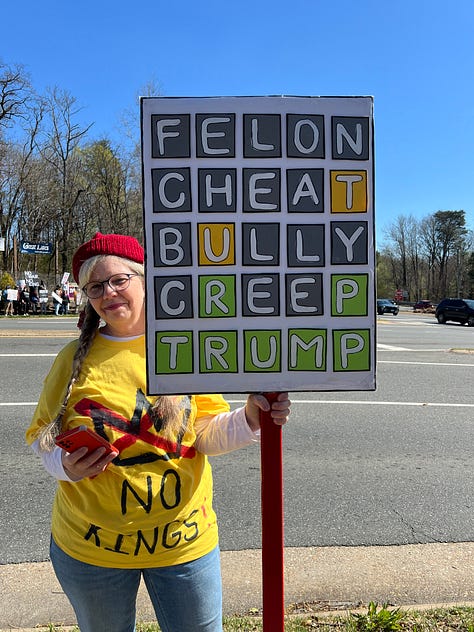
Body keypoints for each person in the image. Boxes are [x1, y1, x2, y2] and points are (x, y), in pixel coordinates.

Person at [26, 232, 291, 632]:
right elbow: (40, 438)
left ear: (144, 279)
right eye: (95, 287)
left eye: (118, 280)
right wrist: (67, 467)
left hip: (184, 547)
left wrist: (252, 417)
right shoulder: (71, 359)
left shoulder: (183, 346)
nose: (108, 293)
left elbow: (205, 435)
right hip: (90, 551)